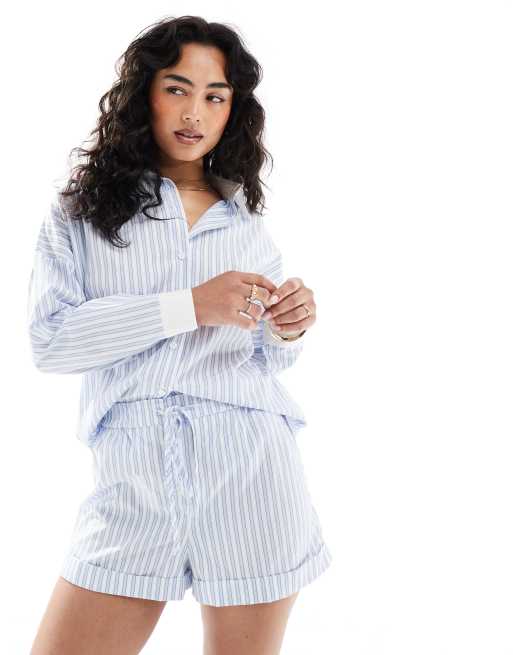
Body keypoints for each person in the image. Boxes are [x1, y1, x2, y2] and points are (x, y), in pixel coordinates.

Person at [27, 15, 332, 655]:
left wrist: (288, 328)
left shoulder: (245, 221)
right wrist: (187, 306)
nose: (195, 113)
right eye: (177, 89)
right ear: (144, 93)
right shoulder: (80, 213)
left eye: (215, 97)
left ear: (232, 111)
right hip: (134, 484)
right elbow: (52, 342)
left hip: (253, 476)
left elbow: (266, 359)